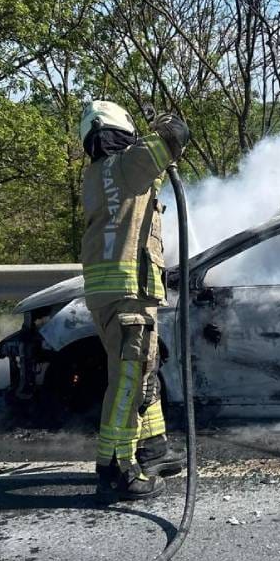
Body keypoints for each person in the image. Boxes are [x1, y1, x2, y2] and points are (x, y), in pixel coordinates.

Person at [77, 100, 190, 503]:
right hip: (126, 298)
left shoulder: (100, 174)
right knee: (128, 379)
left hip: (127, 294)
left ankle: (151, 448)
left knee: (144, 370)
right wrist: (162, 122)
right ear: (120, 133)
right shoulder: (124, 168)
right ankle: (115, 470)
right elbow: (174, 136)